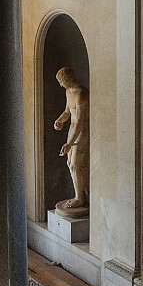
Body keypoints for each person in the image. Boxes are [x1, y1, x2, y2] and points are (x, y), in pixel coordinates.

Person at [53, 67, 89, 211]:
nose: (61, 85)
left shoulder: (81, 93)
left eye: (61, 82)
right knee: (70, 163)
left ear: (67, 79)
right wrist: (60, 120)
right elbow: (68, 111)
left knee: (75, 164)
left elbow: (80, 121)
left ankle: (80, 198)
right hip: (72, 131)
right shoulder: (68, 92)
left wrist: (70, 143)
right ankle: (79, 195)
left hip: (82, 132)